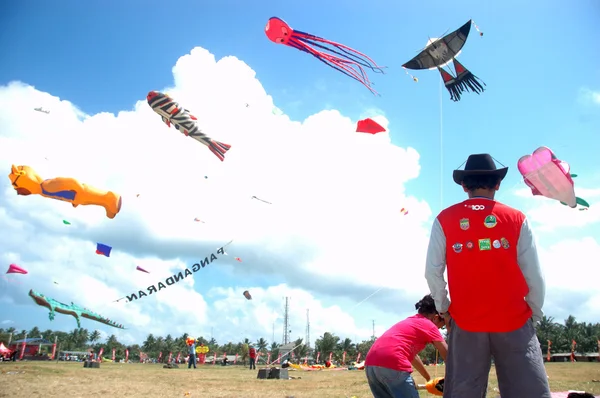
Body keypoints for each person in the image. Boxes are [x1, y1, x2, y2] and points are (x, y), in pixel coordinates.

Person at [424, 153, 551, 398]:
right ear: (497, 183)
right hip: (514, 319)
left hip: (466, 320)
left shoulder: (444, 219)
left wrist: (445, 309)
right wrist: (534, 311)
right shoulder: (517, 218)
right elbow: (534, 273)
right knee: (528, 391)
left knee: (464, 391)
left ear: (463, 185)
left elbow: (432, 271)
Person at [364, 294, 448, 398]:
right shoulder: (429, 324)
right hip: (392, 361)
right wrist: (454, 380)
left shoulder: (410, 322)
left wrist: (428, 379)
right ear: (436, 318)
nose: (440, 329)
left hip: (371, 364)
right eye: (442, 325)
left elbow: (412, 356)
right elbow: (448, 355)